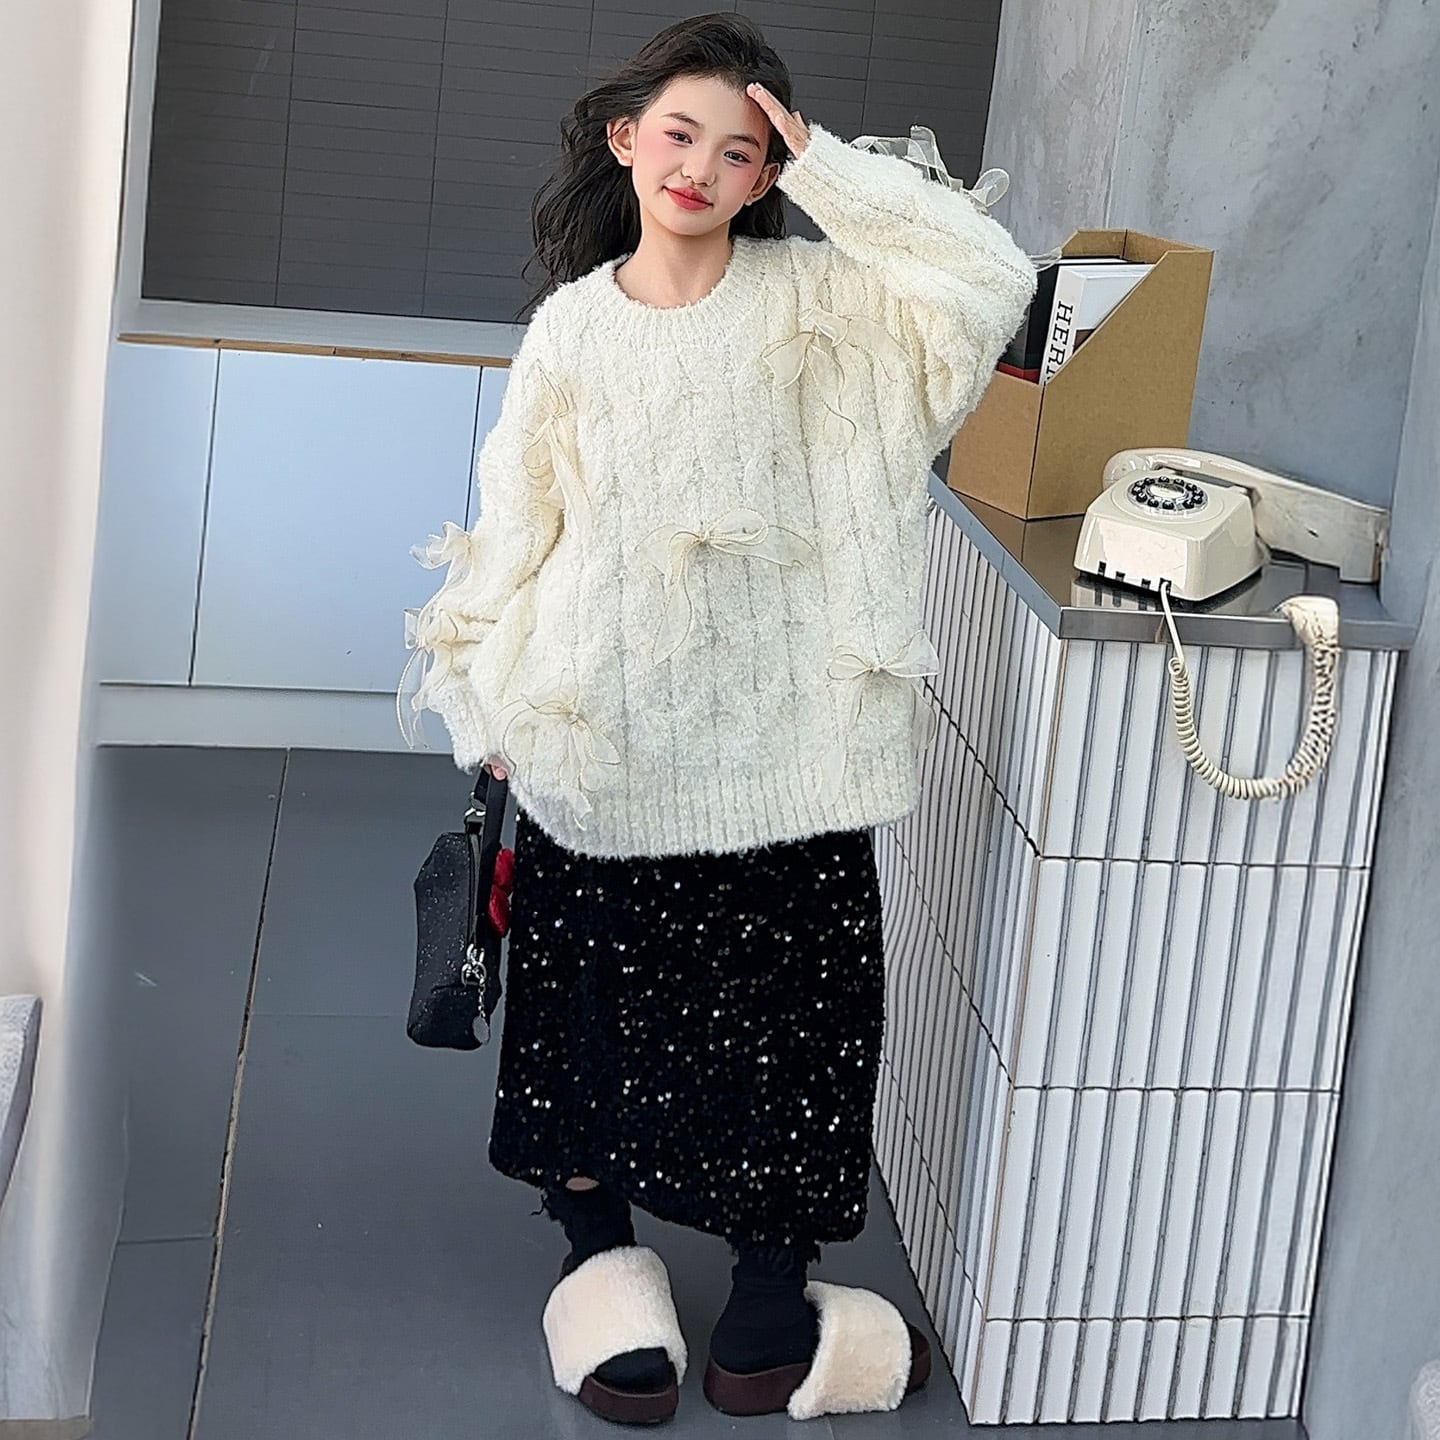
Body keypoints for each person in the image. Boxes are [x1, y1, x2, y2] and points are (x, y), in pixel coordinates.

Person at [399, 10, 1037, 1426]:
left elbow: (990, 278)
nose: (699, 167)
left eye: (739, 150)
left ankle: (767, 1293)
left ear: (767, 175)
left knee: (796, 1034)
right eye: (678, 134)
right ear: (626, 140)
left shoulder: (828, 303)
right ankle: (599, 1256)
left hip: (789, 761)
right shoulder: (572, 331)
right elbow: (518, 527)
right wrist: (487, 696)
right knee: (585, 1022)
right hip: (601, 747)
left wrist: (832, 171)